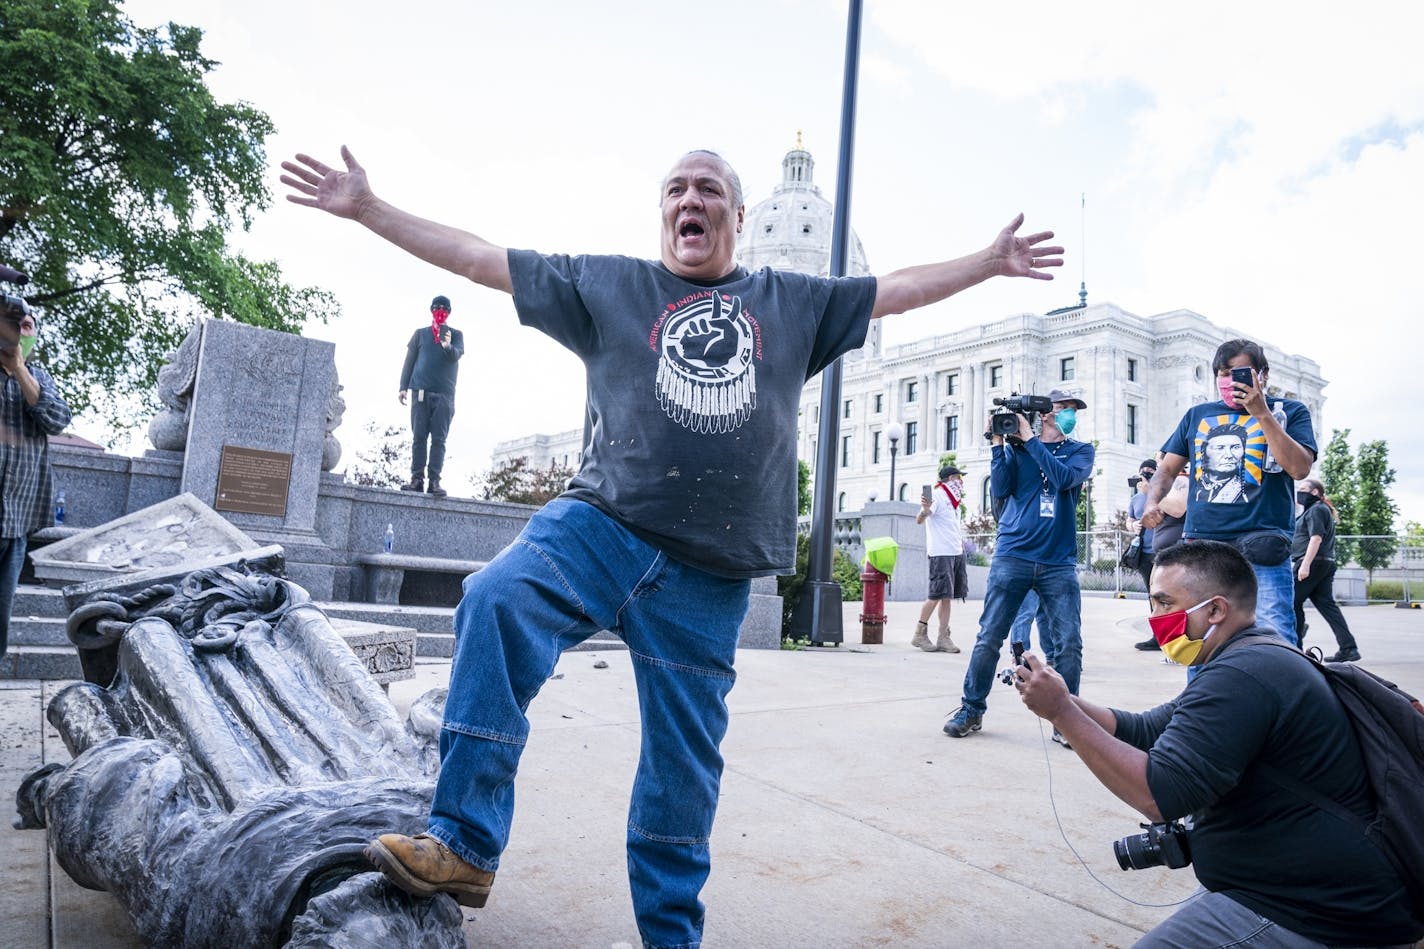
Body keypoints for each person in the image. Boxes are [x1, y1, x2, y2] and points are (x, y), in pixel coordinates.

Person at [280, 144, 1063, 949]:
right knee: (495, 598)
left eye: (711, 189)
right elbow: (481, 259)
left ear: (738, 216)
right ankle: (466, 842)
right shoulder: (609, 284)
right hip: (601, 526)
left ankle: (668, 939)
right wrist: (370, 208)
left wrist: (989, 261)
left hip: (711, 572)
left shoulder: (789, 301)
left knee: (681, 771)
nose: (692, 199)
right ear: (664, 211)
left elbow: (896, 288)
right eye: (678, 188)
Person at [1013, 541, 1421, 947]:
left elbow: (1158, 795)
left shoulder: (1243, 675)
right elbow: (1146, 729)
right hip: (1294, 891)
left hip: (1313, 912)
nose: (1154, 618)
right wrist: (1061, 696)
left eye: (1163, 603)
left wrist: (1062, 715)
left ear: (1215, 609)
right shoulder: (1253, 656)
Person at [1141, 339, 1316, 652]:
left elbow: (1299, 469)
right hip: (1203, 547)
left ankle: (1281, 699)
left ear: (1262, 375)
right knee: (1198, 640)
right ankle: (1204, 702)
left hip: (1262, 544)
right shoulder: (1198, 415)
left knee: (1275, 638)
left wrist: (1261, 413)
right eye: (1223, 374)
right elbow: (1165, 470)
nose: (1230, 380)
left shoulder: (1289, 411)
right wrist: (1152, 502)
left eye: (1240, 373)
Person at [943, 388, 1093, 745]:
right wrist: (998, 445)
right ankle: (971, 708)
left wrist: (1029, 440)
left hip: (1058, 560)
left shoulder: (1080, 451)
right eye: (1063, 408)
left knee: (1068, 643)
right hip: (1013, 554)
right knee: (989, 638)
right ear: (1044, 413)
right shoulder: (1018, 448)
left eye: (1073, 410)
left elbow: (1062, 480)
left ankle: (1066, 721)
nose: (1069, 414)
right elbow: (1002, 487)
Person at [0, 301, 71, 666]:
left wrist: (19, 370)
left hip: (14, 522)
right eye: (15, 324)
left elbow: (57, 418)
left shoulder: (39, 377)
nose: (22, 332)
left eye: (28, 326)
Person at [398, 294, 464, 497]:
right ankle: (417, 478)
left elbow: (456, 355)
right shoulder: (420, 334)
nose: (440, 311)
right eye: (437, 308)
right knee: (419, 437)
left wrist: (446, 344)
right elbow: (409, 361)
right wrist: (403, 386)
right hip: (420, 391)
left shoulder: (456, 334)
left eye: (444, 308)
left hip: (444, 394)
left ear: (450, 312)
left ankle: (434, 480)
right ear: (431, 310)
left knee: (439, 439)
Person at [1292, 478, 1360, 662]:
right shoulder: (1316, 510)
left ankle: (1295, 646)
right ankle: (1349, 648)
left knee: (1292, 602)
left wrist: (1305, 565)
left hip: (1313, 563)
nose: (1300, 492)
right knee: (1327, 606)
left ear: (1315, 492)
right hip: (1323, 563)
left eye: (1304, 488)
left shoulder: (1316, 509)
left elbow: (1316, 539)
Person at [912, 463, 967, 653]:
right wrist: (925, 511)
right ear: (950, 478)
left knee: (947, 597)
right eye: (959, 477)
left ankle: (943, 637)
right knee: (936, 595)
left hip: (954, 552)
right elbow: (920, 518)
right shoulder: (937, 495)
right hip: (940, 552)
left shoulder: (953, 500)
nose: (961, 481)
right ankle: (919, 633)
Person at [1133, 471, 1188, 651]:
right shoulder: (1160, 489)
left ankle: (1177, 643)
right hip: (1161, 554)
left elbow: (1179, 508)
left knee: (1175, 600)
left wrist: (1151, 493)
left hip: (1178, 554)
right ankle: (1162, 639)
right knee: (1159, 599)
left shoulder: (1181, 480)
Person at [1125, 458, 1158, 589]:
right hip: (1144, 551)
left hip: (1161, 549)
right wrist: (1133, 526)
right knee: (1150, 591)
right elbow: (1129, 519)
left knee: (1162, 589)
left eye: (1150, 471)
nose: (1146, 473)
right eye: (1143, 471)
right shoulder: (1135, 499)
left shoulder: (1164, 493)